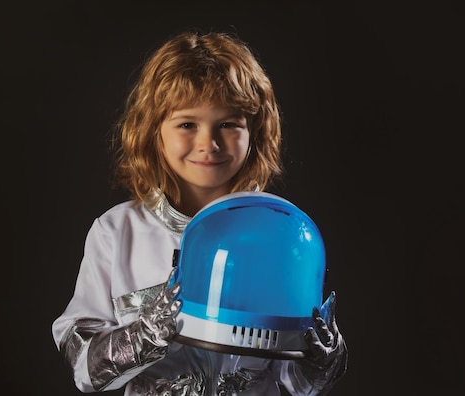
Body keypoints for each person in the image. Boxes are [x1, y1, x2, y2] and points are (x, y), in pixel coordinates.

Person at [52, 30, 348, 395]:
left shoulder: (281, 237)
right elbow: (83, 367)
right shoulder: (117, 232)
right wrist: (143, 337)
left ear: (254, 131)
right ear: (153, 129)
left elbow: (295, 383)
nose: (208, 143)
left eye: (228, 124)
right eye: (187, 124)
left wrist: (323, 357)